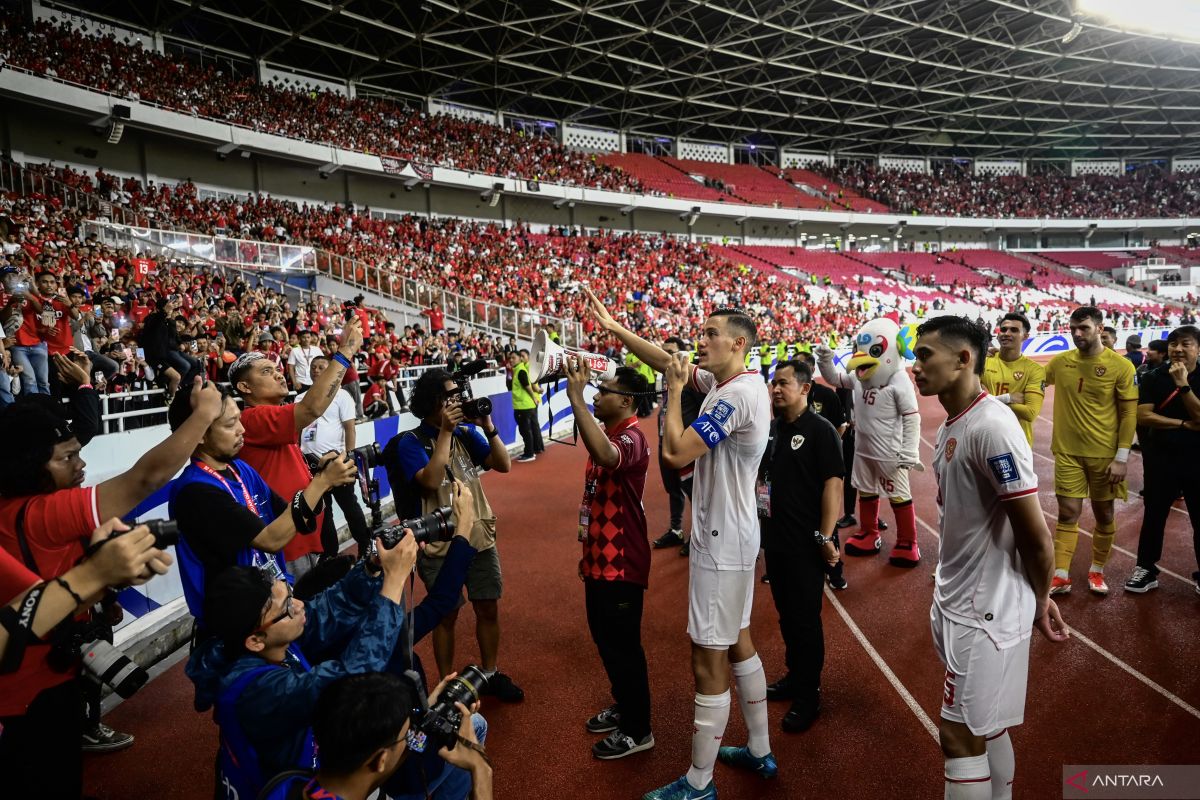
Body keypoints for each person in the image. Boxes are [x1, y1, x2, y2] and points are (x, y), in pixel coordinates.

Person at [584, 288, 777, 800]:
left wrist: (671, 396)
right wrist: (616, 329)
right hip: (736, 534)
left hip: (719, 538)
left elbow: (674, 453)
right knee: (738, 640)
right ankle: (760, 750)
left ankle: (698, 783)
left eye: (711, 333)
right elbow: (668, 359)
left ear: (738, 343)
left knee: (706, 657)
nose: (700, 339)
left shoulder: (735, 395)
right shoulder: (732, 379)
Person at [0, 375, 224, 796]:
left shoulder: (14, 508)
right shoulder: (39, 514)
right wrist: (204, 415)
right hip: (32, 701)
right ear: (32, 467)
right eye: (67, 458)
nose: (81, 465)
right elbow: (145, 478)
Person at [911, 315, 1068, 800]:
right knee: (990, 728)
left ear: (963, 359)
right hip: (964, 599)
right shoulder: (963, 420)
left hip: (983, 610)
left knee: (958, 736)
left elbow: (1036, 535)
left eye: (924, 356)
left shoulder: (991, 428)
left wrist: (1039, 599)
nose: (915, 367)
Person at [185, 522, 422, 800]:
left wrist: (371, 567)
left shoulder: (263, 640)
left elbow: (333, 606)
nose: (299, 606)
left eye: (291, 594)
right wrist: (394, 583)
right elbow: (352, 679)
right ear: (256, 639)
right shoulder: (257, 692)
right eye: (287, 607)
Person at [0, 519, 173, 796]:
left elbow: (86, 561)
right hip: (43, 641)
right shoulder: (19, 520)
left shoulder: (70, 516)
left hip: (83, 621)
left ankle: (89, 726)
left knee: (90, 677)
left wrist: (107, 600)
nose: (79, 471)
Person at [384, 369, 523, 702]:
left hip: (478, 534)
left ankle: (488, 674)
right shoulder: (409, 442)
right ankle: (446, 684)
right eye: (450, 396)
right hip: (439, 543)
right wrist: (445, 431)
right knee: (444, 615)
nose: (458, 401)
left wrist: (488, 427)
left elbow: (503, 464)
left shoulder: (468, 432)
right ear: (433, 401)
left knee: (488, 607)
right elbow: (430, 481)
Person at [166, 382, 358, 621]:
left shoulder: (239, 469)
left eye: (239, 419)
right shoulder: (196, 490)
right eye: (230, 424)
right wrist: (321, 483)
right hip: (237, 624)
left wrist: (320, 476)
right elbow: (271, 539)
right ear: (199, 434)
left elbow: (287, 513)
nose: (241, 430)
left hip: (272, 605)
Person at [564, 356, 655, 760]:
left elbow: (606, 457)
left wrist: (576, 400)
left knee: (623, 646)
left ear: (628, 401)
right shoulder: (612, 431)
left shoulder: (633, 438)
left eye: (604, 391)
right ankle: (625, 706)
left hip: (623, 563)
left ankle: (639, 730)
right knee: (605, 640)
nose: (597, 395)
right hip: (601, 560)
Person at [230, 316, 364, 578]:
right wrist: (346, 350)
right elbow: (312, 408)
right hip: (287, 551)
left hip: (302, 543)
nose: (279, 373)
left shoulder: (273, 416)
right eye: (266, 372)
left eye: (276, 367)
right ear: (245, 387)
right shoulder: (251, 418)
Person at [758, 360, 844, 733]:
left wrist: (825, 537)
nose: (776, 389)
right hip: (775, 540)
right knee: (786, 615)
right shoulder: (773, 428)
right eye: (773, 383)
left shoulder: (821, 431)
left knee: (806, 620)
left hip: (805, 544)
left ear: (806, 388)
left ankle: (809, 694)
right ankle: (795, 676)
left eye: (784, 384)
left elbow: (833, 486)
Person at [258, 672, 493, 800]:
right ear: (379, 760)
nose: (412, 736)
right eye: (407, 735)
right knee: (478, 725)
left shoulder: (286, 781)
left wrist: (428, 712)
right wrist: (480, 769)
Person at [1043, 307, 1137, 596]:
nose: (1077, 333)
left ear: (1100, 328)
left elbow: (1128, 414)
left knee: (1104, 513)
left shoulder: (1121, 367)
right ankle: (1060, 574)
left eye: (1083, 327)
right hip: (1067, 452)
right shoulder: (1060, 362)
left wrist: (1122, 458)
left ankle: (1097, 570)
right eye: (1072, 328)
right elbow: (1034, 384)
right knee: (1068, 512)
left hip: (1105, 456)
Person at [1126, 325, 1200, 594]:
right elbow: (1143, 416)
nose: (1178, 349)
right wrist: (1182, 423)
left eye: (1186, 344)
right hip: (1161, 459)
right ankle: (1146, 568)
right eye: (1173, 344)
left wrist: (1183, 385)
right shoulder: (1153, 376)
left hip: (1197, 460)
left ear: (1198, 348)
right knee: (1154, 516)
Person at [297, 356, 372, 557]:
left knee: (350, 506)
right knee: (324, 512)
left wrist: (347, 458)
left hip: (337, 462)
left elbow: (350, 429)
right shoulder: (299, 399)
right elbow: (296, 434)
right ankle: (330, 554)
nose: (316, 370)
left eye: (321, 367)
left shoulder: (342, 396)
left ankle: (365, 545)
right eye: (313, 367)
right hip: (309, 465)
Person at [796, 351, 849, 589]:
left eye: (803, 364)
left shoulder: (826, 394)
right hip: (798, 471)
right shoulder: (788, 398)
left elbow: (840, 426)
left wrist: (826, 455)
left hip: (823, 470)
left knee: (827, 521)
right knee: (797, 518)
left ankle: (834, 570)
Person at [652, 337, 701, 555]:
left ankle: (698, 536)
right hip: (666, 442)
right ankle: (676, 529)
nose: (665, 357)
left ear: (683, 354)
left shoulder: (691, 380)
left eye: (670, 352)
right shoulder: (667, 378)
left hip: (685, 445)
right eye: (664, 351)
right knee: (672, 488)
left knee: (694, 493)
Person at [981, 313, 1045, 447]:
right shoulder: (983, 362)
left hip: (1018, 443)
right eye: (1003, 329)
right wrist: (1007, 398)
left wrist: (989, 401)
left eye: (1014, 330)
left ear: (1025, 336)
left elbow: (1030, 413)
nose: (1006, 333)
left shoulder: (1035, 370)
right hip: (984, 438)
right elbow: (970, 401)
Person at [510, 349, 543, 462]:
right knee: (529, 429)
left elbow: (528, 386)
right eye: (510, 358)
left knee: (525, 431)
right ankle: (533, 450)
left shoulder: (521, 371)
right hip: (526, 405)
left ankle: (529, 453)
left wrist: (534, 397)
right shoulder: (520, 370)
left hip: (523, 406)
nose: (511, 360)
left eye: (514, 357)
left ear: (520, 358)